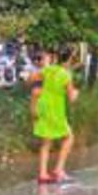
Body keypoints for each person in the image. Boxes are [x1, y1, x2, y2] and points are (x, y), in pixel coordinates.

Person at [28, 50, 77, 186]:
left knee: (46, 142)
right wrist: (76, 93)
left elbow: (30, 79)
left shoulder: (47, 70)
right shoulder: (66, 75)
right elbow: (72, 98)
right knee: (69, 137)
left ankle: (43, 174)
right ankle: (58, 170)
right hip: (55, 108)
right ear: (69, 59)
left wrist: (40, 90)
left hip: (43, 105)